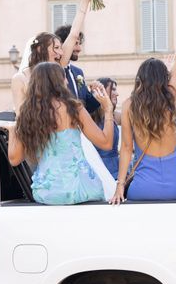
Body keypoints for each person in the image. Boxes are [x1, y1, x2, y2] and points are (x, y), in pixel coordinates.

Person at [110, 3, 176, 204]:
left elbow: (125, 147)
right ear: (164, 79)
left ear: (140, 79)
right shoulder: (170, 97)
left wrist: (119, 186)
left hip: (144, 188)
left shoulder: (130, 104)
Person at [7, 62, 115, 205]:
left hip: (47, 193)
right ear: (58, 81)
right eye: (64, 78)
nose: (67, 82)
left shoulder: (28, 114)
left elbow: (14, 159)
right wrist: (108, 109)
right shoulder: (73, 108)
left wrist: (13, 129)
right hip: (80, 189)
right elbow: (106, 143)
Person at [11, 0, 95, 115]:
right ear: (40, 49)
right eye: (56, 48)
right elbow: (20, 115)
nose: (61, 53)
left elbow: (73, 34)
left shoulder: (56, 70)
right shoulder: (20, 79)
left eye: (61, 49)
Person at [54, 25, 101, 114]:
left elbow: (87, 107)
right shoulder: (53, 72)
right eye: (76, 43)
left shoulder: (78, 72)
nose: (79, 49)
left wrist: (96, 94)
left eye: (80, 44)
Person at [90, 77, 120, 177]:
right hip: (99, 171)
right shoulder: (89, 118)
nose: (117, 94)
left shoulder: (114, 115)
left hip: (117, 170)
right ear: (101, 92)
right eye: (113, 89)